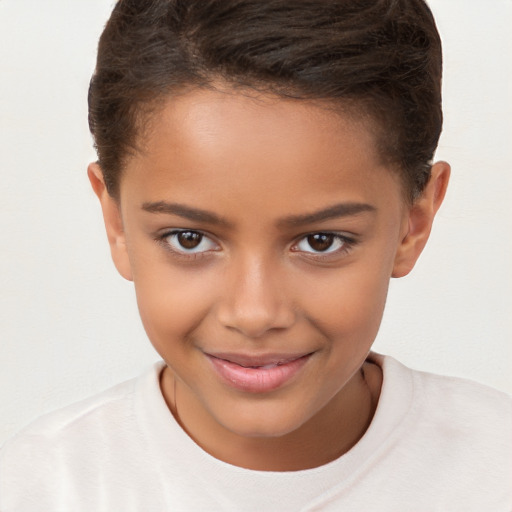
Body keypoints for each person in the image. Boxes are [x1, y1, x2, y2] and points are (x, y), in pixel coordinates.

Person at [0, 0, 510, 510]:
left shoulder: (496, 468)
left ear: (412, 224)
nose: (255, 314)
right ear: (117, 224)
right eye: (189, 239)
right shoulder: (42, 488)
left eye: (320, 241)